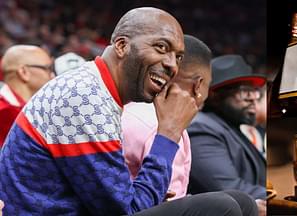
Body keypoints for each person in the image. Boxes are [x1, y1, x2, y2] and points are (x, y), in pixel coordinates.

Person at [0, 8, 257, 216]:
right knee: (223, 208)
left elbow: (118, 195)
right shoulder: (86, 98)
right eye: (161, 47)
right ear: (122, 46)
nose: (171, 65)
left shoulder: (96, 87)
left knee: (242, 202)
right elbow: (128, 209)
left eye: (178, 57)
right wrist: (169, 132)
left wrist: (146, 189)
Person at [121, 34, 211, 200]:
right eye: (208, 85)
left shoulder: (132, 106)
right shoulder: (166, 126)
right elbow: (170, 201)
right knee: (229, 204)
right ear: (198, 86)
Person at [187, 54, 267, 214]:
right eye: (245, 91)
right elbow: (228, 188)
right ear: (216, 96)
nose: (252, 98)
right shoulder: (202, 128)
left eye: (254, 91)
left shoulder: (230, 125)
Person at [0, 44, 55, 147]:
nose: (52, 75)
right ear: (24, 72)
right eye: (48, 68)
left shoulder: (29, 110)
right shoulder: (4, 113)